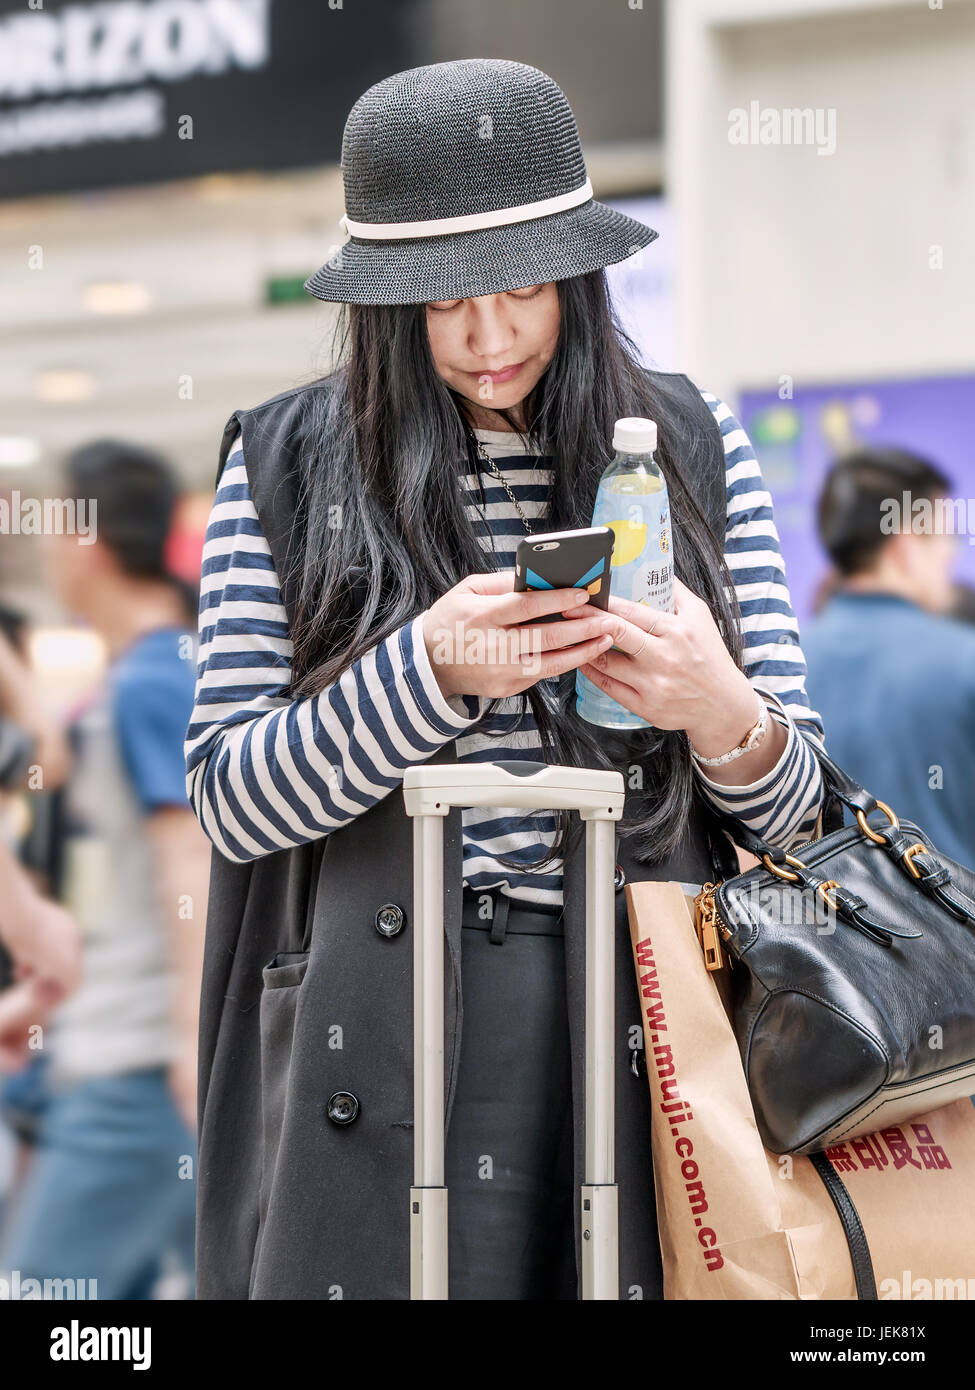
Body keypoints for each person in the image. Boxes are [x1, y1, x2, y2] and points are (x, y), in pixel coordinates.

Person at [189, 58, 828, 1301]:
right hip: (380, 1006)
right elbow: (231, 799)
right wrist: (426, 673)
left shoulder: (693, 444)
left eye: (525, 286)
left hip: (646, 1000)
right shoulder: (283, 463)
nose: (490, 339)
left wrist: (720, 710)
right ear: (384, 305)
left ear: (581, 278)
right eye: (442, 304)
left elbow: (802, 807)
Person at [0, 441, 210, 1299]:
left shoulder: (152, 684)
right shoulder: (158, 674)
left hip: (138, 1073)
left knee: (45, 1294)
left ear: (83, 543)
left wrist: (191, 1048)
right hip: (136, 1059)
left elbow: (187, 861)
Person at [803, 446, 975, 869]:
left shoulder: (782, 670)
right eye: (942, 535)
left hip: (820, 931)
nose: (950, 554)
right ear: (905, 545)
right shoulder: (964, 661)